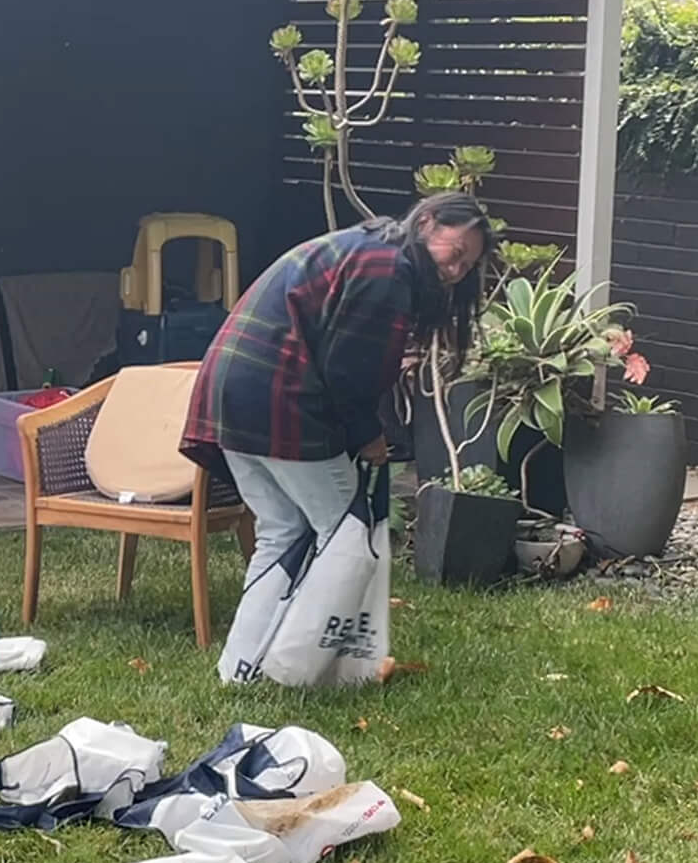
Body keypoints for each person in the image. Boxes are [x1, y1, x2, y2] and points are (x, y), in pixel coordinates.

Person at [181, 192, 492, 667]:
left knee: (283, 532)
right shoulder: (388, 271)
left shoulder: (369, 247)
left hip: (228, 393)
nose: (456, 271)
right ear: (427, 221)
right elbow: (349, 371)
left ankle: (243, 666)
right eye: (457, 252)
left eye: (467, 267)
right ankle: (313, 663)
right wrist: (368, 436)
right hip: (278, 398)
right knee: (350, 534)